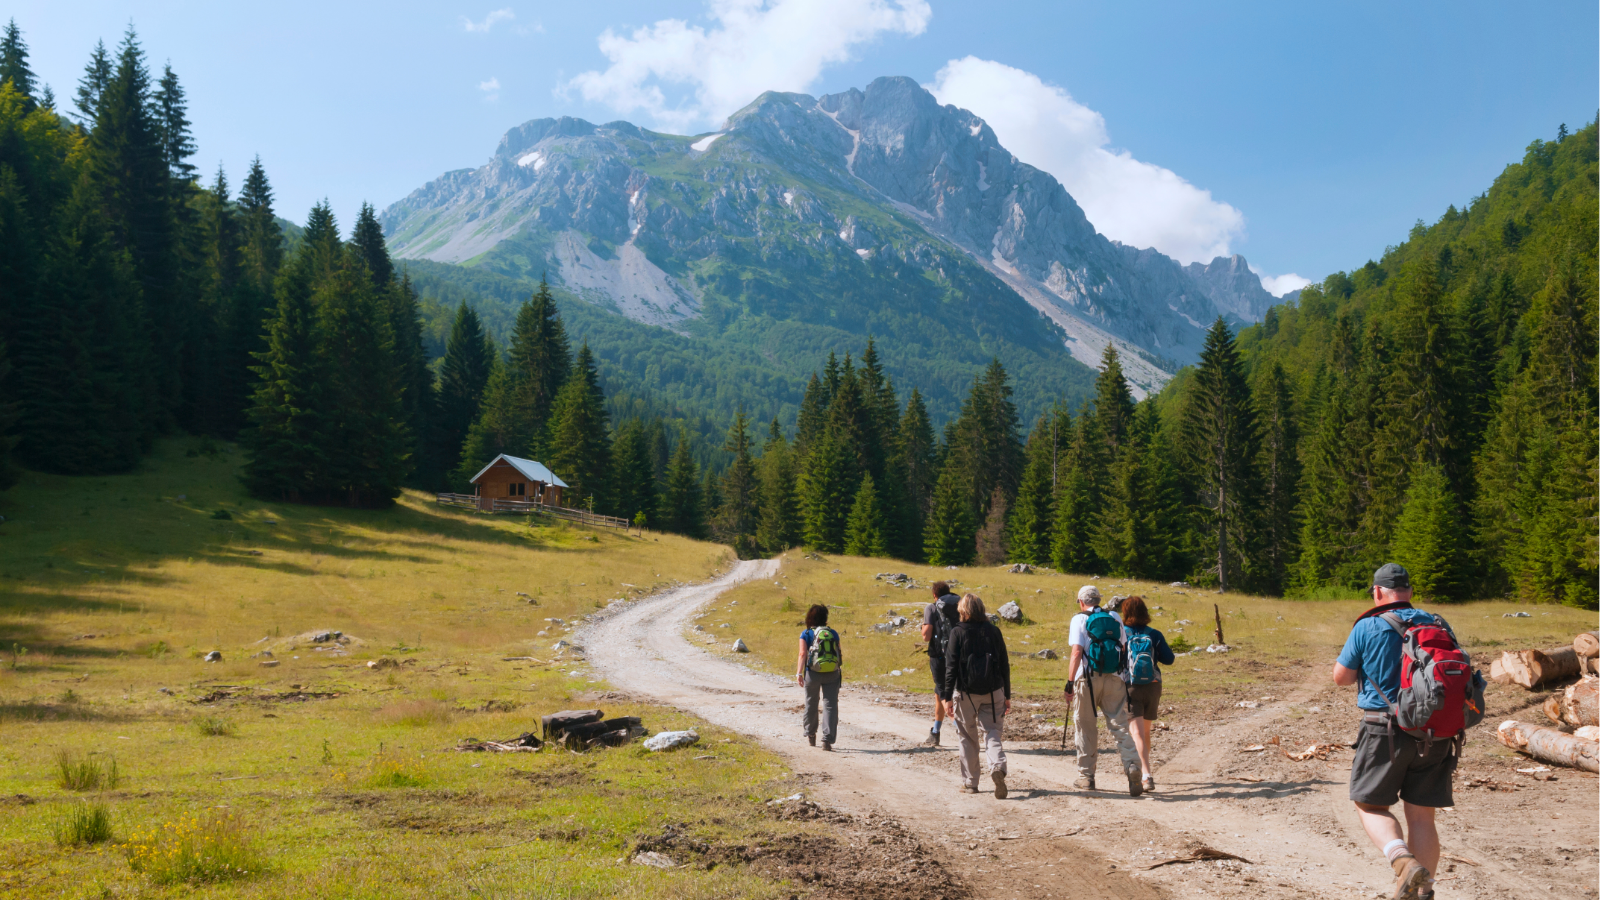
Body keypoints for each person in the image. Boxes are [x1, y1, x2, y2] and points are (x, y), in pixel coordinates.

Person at [1332, 564, 1455, 900]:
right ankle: (1423, 891)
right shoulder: (1435, 622)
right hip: (1436, 732)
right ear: (1410, 592)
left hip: (1384, 729)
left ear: (1377, 592)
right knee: (1421, 817)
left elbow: (1341, 677)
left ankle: (1403, 862)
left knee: (1368, 804)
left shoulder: (1368, 625)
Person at [1064, 584, 1141, 795]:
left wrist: (1070, 682)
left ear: (1081, 601)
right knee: (1120, 726)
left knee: (1086, 727)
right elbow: (1123, 647)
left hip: (1087, 679)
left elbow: (1076, 653)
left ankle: (1086, 777)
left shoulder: (1079, 619)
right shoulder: (1115, 617)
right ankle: (1132, 766)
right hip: (1115, 677)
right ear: (1098, 600)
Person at [941, 593, 1011, 797]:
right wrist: (1007, 694)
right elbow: (1004, 664)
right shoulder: (994, 631)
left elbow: (950, 667)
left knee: (967, 737)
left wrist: (946, 697)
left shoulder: (957, 632)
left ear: (962, 611)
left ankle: (971, 783)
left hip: (965, 693)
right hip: (994, 691)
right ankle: (997, 766)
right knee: (992, 732)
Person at [1120, 596, 1175, 793]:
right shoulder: (1155, 634)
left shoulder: (1122, 634)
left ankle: (1146, 775)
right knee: (1145, 732)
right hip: (1153, 686)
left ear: (1125, 613)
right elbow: (1169, 659)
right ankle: (1145, 771)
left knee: (1136, 734)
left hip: (1130, 686)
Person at [920, 581, 961, 747]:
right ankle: (935, 732)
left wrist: (923, 627)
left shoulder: (931, 608)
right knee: (939, 694)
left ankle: (961, 728)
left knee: (944, 694)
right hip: (957, 655)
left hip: (938, 655)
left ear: (934, 595)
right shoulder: (959, 606)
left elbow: (926, 636)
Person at [796, 604, 842, 751]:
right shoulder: (833, 633)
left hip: (812, 673)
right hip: (832, 672)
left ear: (810, 617)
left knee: (811, 702)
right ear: (825, 618)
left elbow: (802, 654)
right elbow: (838, 652)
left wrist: (799, 673)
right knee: (830, 705)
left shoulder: (806, 633)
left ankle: (811, 734)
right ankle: (827, 740)